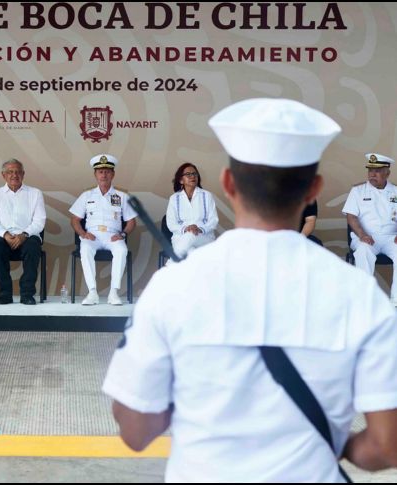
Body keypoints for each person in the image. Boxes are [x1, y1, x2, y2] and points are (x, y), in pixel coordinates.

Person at [103, 98, 397, 482]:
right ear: (314, 189)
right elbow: (386, 446)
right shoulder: (360, 292)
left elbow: (136, 431)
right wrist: (335, 441)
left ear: (227, 184)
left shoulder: (172, 286)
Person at [69, 154, 137, 305]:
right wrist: (83, 233)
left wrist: (123, 234)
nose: (104, 174)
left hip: (113, 236)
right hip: (92, 236)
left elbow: (132, 221)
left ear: (113, 174)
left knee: (121, 250)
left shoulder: (122, 196)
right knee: (85, 249)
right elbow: (74, 219)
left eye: (107, 171)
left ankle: (114, 292)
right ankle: (92, 292)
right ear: (95, 174)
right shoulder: (86, 195)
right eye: (100, 171)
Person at [0, 158, 46, 305]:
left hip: (27, 235)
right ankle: (5, 294)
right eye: (10, 172)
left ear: (23, 174)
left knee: (33, 247)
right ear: (3, 175)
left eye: (18, 172)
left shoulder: (35, 193)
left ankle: (27, 294)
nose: (14, 175)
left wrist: (24, 235)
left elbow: (40, 220)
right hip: (3, 236)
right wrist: (5, 234)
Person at [342, 153, 397, 305]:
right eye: (370, 170)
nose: (372, 174)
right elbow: (351, 217)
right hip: (365, 236)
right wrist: (362, 234)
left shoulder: (396, 191)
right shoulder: (358, 191)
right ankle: (365, 300)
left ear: (387, 172)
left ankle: (396, 300)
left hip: (391, 237)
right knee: (363, 251)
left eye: (377, 171)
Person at [165, 162, 218, 259]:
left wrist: (199, 229)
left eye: (194, 174)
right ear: (181, 180)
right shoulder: (174, 198)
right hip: (180, 238)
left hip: (204, 237)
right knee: (191, 252)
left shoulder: (207, 196)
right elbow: (171, 223)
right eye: (188, 174)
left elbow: (214, 221)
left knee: (191, 236)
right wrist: (186, 229)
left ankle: (170, 265)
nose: (192, 176)